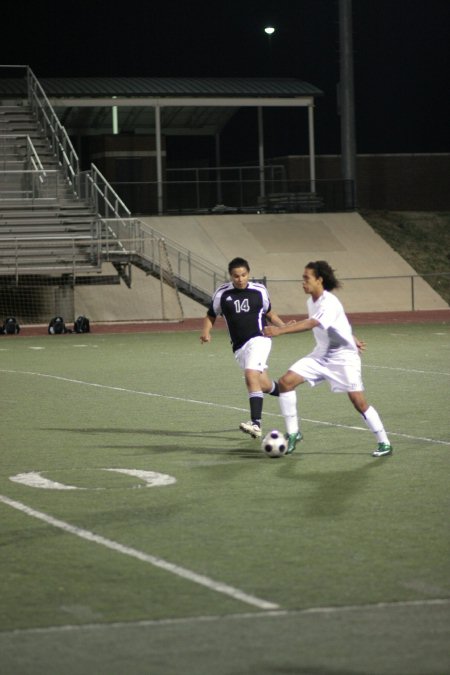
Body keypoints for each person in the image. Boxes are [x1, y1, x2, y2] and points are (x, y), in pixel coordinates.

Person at [264, 260, 393, 457]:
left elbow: (312, 323)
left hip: (344, 359)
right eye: (303, 278)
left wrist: (279, 331)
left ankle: (384, 443)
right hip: (321, 355)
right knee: (285, 382)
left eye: (306, 278)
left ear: (319, 280)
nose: (303, 282)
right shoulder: (311, 301)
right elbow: (337, 324)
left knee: (358, 401)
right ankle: (293, 433)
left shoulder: (329, 302)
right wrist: (351, 336)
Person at [200, 256, 286, 438]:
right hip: (239, 347)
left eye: (244, 275)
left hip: (260, 339)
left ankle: (256, 423)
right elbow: (211, 315)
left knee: (250, 374)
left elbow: (269, 313)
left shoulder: (259, 290)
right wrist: (206, 332)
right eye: (236, 276)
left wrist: (285, 327)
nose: (240, 279)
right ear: (230, 276)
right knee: (262, 384)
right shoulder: (222, 293)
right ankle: (287, 393)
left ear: (249, 274)